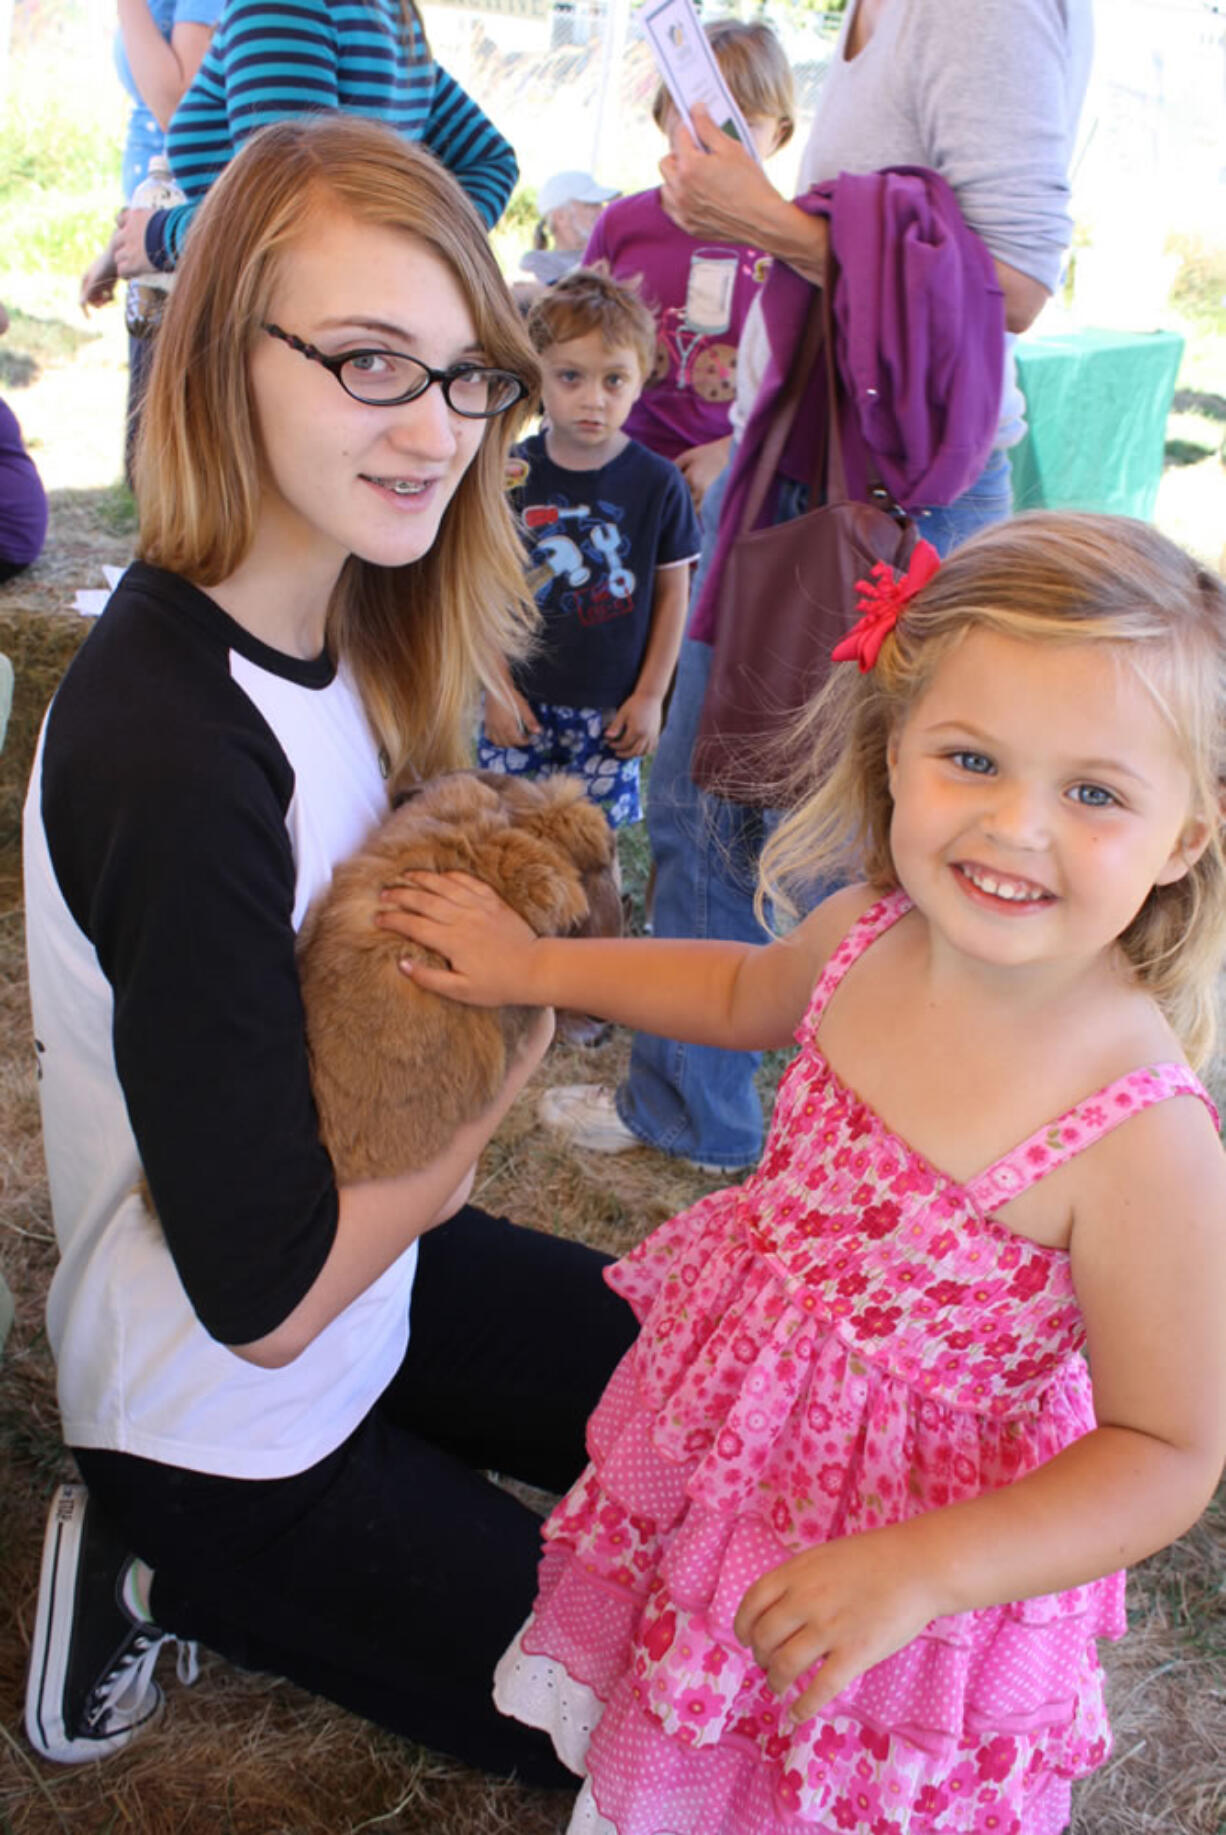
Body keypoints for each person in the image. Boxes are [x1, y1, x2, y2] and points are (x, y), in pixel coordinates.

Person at [378, 512, 1226, 1835]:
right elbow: (730, 984)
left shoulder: (1138, 1132)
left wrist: (921, 1567)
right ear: (895, 753)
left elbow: (1164, 1449)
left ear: (1184, 834)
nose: (1013, 826)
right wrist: (529, 964)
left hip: (911, 1584)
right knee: (688, 1741)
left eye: (1094, 791)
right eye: (970, 758)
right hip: (737, 1475)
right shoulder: (862, 936)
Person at [22, 114, 636, 1781]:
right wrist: (482, 1106)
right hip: (233, 1423)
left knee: (712, 1390)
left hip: (385, 1293)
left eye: (464, 378)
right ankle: (153, 1568)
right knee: (653, 1720)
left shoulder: (357, 622)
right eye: (371, 362)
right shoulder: (170, 742)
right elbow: (269, 1301)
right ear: (225, 353)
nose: (437, 431)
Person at [549, 0, 1095, 1172]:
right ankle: (710, 1115)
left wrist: (773, 224)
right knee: (732, 810)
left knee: (819, 838)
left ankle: (782, 1139)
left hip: (876, 494)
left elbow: (1009, 281)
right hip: (808, 471)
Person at [479, 267, 700, 836]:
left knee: (589, 849)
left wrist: (651, 697)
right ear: (539, 375)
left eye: (613, 380)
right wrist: (497, 689)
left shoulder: (658, 485)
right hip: (521, 706)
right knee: (506, 839)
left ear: (641, 378)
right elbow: (481, 586)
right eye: (570, 377)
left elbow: (675, 594)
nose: (592, 400)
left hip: (610, 715)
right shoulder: (509, 475)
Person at [109, 0, 518, 284]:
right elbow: (491, 160)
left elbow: (287, 213)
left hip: (276, 335)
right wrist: (406, 246)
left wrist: (161, 238)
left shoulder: (283, 8)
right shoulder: (387, 14)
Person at [581, 17, 794, 508]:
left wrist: (731, 451)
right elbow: (577, 341)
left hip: (728, 488)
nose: (714, 141)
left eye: (744, 124)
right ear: (663, 114)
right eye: (696, 116)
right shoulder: (621, 224)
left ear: (779, 134)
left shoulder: (791, 241)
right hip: (615, 469)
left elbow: (801, 386)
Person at [79, 0, 222, 483]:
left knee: (177, 465)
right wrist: (117, 248)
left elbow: (176, 110)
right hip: (151, 226)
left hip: (191, 234)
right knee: (148, 460)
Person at [513, 170, 620, 307]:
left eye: (600, 205)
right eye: (590, 205)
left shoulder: (611, 254)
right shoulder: (537, 262)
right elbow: (553, 303)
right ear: (560, 217)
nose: (602, 211)